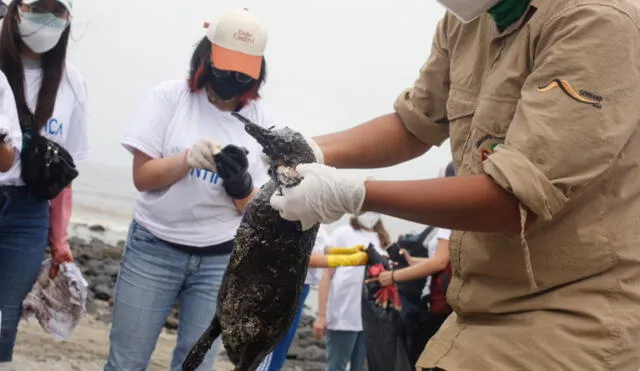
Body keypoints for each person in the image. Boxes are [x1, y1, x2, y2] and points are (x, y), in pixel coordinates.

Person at [268, 0, 640, 369]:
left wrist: (358, 193)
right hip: (477, 304)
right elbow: (414, 123)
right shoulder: (466, 20)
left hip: (577, 311)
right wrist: (310, 150)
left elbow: (510, 198)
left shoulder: (596, 20)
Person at [104, 8, 273, 371]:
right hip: (154, 248)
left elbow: (254, 208)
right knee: (126, 362)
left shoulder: (261, 120)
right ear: (206, 56)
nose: (231, 78)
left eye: (242, 72)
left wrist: (240, 184)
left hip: (220, 258)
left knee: (196, 363)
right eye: (225, 67)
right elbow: (143, 178)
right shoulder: (169, 98)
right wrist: (187, 159)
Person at [0, 0, 88, 366]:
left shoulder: (71, 83)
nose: (47, 19)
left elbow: (63, 177)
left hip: (28, 214)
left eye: (58, 11)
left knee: (5, 319)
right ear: (17, 10)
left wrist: (60, 240)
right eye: (39, 7)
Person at [314, 212, 391, 371]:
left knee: (360, 367)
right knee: (337, 366)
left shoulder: (382, 240)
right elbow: (326, 275)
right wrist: (322, 315)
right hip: (343, 314)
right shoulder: (343, 233)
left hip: (371, 318)